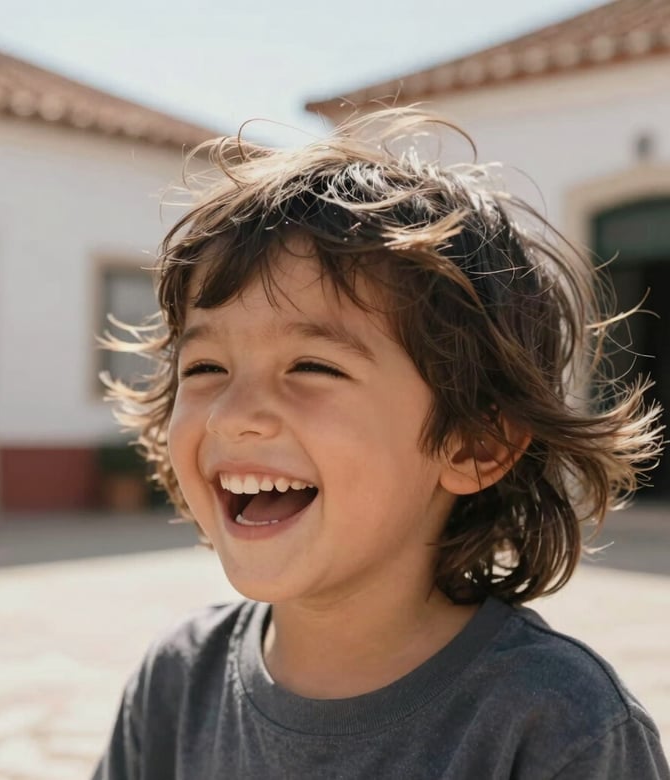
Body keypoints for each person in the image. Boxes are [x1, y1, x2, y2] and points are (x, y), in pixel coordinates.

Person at [93, 108, 668, 779]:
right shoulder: (174, 685)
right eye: (205, 368)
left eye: (312, 367)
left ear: (474, 442)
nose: (231, 416)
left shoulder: (557, 730)